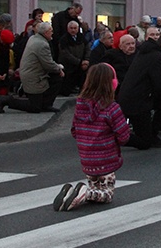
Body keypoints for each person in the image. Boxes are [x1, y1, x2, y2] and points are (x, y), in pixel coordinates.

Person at [54, 63, 131, 212]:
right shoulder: (111, 107)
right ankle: (85, 192)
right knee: (106, 195)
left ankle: (71, 194)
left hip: (87, 159)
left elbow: (74, 131)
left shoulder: (81, 105)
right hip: (106, 159)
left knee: (96, 186)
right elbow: (123, 136)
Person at [118, 32, 161, 149]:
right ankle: (117, 138)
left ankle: (150, 135)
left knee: (145, 137)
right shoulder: (157, 57)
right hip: (138, 102)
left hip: (133, 98)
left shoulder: (145, 53)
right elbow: (159, 83)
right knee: (145, 142)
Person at [0, 21, 64, 114]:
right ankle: (5, 100)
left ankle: (45, 104)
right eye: (51, 31)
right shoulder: (42, 44)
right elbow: (48, 64)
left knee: (55, 78)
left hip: (31, 74)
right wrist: (59, 68)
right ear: (45, 33)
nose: (53, 33)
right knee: (35, 107)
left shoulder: (34, 38)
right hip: (33, 77)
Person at [58, 20, 90, 94]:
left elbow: (87, 49)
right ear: (68, 29)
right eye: (71, 28)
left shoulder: (81, 37)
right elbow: (65, 54)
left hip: (81, 66)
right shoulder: (63, 39)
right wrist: (79, 62)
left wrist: (86, 60)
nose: (73, 30)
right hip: (69, 67)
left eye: (75, 28)